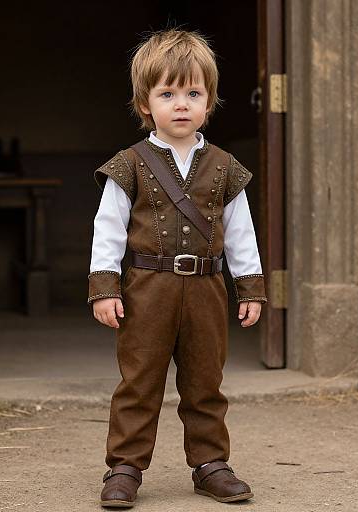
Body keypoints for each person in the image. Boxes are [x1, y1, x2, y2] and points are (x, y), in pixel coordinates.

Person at [87, 28, 267, 508]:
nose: (181, 104)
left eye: (193, 93)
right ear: (146, 103)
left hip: (206, 288)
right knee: (139, 381)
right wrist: (105, 287)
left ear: (209, 101)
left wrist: (249, 288)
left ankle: (211, 464)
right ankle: (124, 467)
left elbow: (241, 232)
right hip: (147, 287)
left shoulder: (226, 167)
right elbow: (108, 229)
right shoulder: (129, 165)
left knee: (205, 382)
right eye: (168, 93)